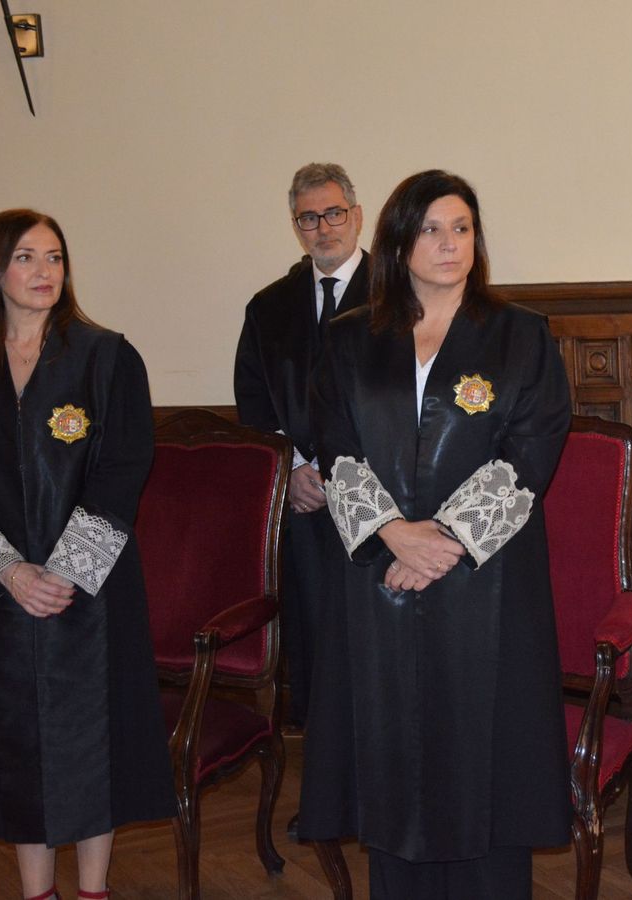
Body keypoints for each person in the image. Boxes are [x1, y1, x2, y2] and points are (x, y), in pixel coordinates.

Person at [310, 170, 572, 898]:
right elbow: (334, 450)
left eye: (462, 227)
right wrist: (394, 533)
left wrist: (443, 543)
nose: (450, 242)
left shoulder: (519, 335)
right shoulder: (349, 340)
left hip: (486, 587)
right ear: (398, 240)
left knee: (486, 772)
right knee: (394, 772)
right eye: (431, 228)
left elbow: (530, 453)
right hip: (379, 583)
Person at [0, 209, 173, 900]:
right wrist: (9, 570)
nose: (44, 272)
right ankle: (39, 892)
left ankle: (92, 889)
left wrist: (63, 571)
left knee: (92, 742)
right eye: (27, 257)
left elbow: (124, 467)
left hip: (89, 592)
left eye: (55, 257)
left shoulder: (108, 357)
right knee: (16, 747)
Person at [233, 162, 369, 732]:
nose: (323, 227)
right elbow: (253, 403)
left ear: (357, 216)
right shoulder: (269, 307)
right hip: (305, 510)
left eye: (334, 213)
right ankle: (325, 789)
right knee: (314, 645)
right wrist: (291, 470)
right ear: (296, 227)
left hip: (384, 505)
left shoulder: (399, 292)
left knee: (373, 642)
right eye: (308, 218)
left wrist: (344, 472)